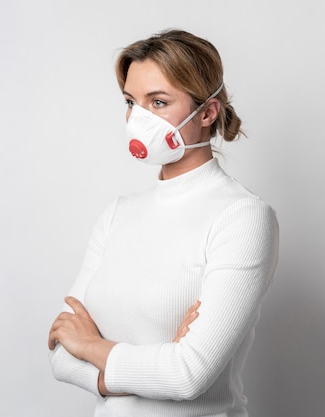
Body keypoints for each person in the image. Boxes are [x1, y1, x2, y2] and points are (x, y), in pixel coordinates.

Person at [47, 29, 279, 417]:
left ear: (207, 113)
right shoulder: (117, 214)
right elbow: (60, 354)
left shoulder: (242, 217)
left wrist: (92, 347)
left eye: (158, 101)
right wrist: (157, 361)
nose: (138, 118)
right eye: (130, 102)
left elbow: (187, 376)